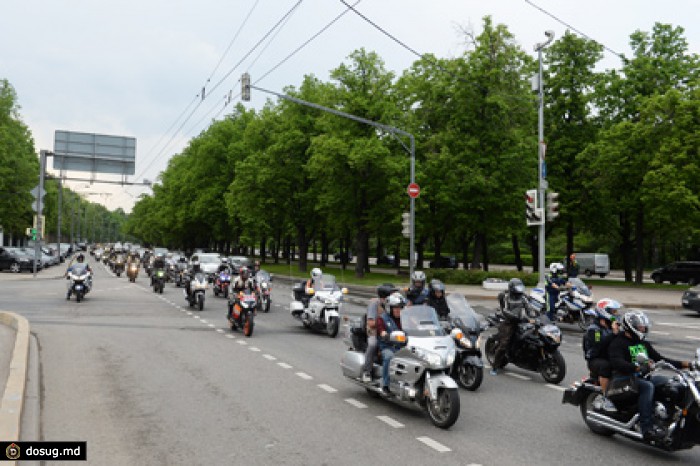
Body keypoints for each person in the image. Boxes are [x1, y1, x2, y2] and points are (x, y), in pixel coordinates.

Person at [608, 311, 696, 442]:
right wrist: (637, 367)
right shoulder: (619, 342)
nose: (643, 329)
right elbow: (617, 362)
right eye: (640, 327)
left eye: (644, 326)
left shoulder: (643, 343)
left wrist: (687, 364)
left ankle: (667, 418)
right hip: (623, 378)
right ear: (630, 327)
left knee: (669, 383)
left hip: (641, 377)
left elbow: (660, 359)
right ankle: (646, 428)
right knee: (648, 387)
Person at [582, 301, 621, 409]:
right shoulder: (594, 329)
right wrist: (614, 333)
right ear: (604, 312)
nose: (615, 314)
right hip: (596, 359)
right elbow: (600, 344)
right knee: (606, 366)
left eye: (616, 311)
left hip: (609, 356)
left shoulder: (610, 326)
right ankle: (606, 397)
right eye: (613, 312)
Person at [492, 278, 534, 375]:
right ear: (512, 288)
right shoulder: (506, 297)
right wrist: (519, 318)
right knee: (504, 344)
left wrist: (533, 315)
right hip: (507, 322)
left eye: (520, 287)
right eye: (517, 288)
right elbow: (505, 311)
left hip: (520, 321)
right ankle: (495, 366)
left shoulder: (523, 297)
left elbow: (529, 308)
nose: (519, 290)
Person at [361, 283, 396, 383]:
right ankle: (367, 371)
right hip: (374, 331)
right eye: (392, 293)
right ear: (385, 295)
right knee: (373, 344)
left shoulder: (394, 303)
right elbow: (370, 322)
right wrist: (383, 323)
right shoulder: (374, 304)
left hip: (389, 330)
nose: (394, 295)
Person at [377, 292, 406, 393]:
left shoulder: (405, 319)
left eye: (400, 307)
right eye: (396, 308)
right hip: (388, 346)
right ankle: (385, 384)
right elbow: (381, 331)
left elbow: (413, 327)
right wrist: (386, 335)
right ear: (390, 308)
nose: (398, 310)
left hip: (403, 347)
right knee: (389, 357)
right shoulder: (383, 319)